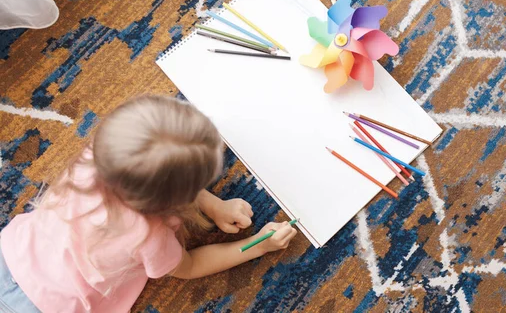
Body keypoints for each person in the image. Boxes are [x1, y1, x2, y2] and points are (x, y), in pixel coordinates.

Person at [0, 95, 297, 312]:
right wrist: (259, 245)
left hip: (9, 256)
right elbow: (190, 266)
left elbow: (153, 177)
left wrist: (214, 205)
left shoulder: (96, 156)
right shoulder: (149, 236)